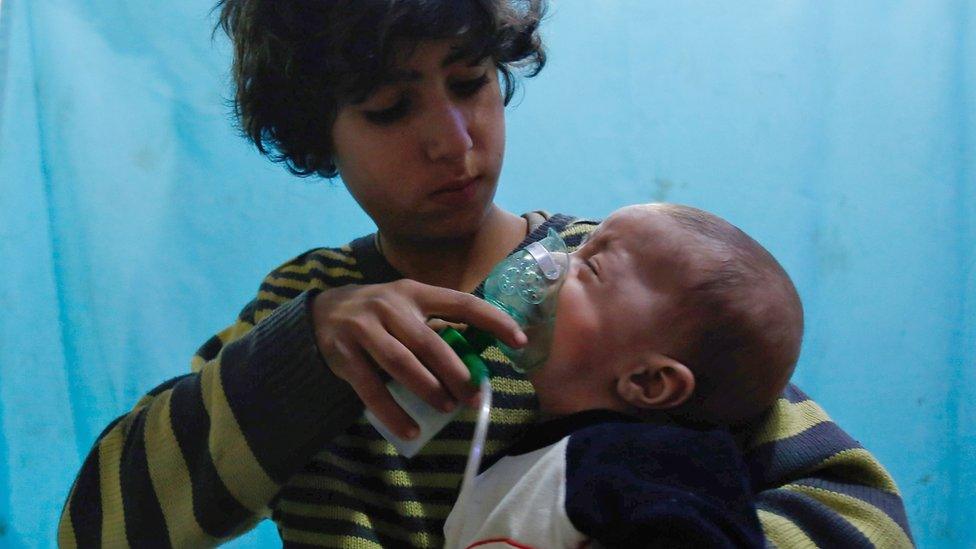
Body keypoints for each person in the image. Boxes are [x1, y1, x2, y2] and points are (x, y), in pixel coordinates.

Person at [57, 1, 914, 547]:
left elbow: (867, 517)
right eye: (390, 108)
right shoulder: (303, 315)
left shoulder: (631, 292)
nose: (454, 142)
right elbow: (97, 531)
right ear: (318, 134)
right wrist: (305, 354)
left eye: (471, 83)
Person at [443, 203, 802, 548]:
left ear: (648, 382)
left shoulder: (650, 465)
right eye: (578, 247)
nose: (551, 260)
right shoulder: (524, 462)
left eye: (591, 267)